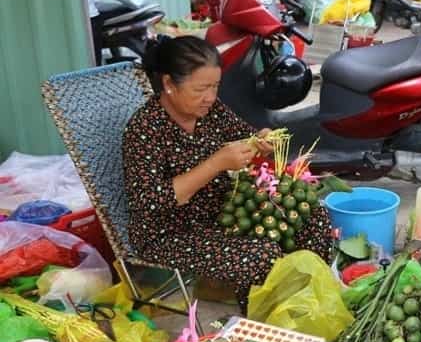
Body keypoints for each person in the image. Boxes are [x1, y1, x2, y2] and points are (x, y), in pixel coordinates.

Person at [122, 36, 333, 310]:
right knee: (260, 255)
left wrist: (261, 142)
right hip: (169, 234)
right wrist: (215, 164)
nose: (210, 97)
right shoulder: (144, 131)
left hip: (225, 214)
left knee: (312, 215)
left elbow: (245, 140)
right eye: (200, 89)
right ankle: (266, 330)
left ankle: (313, 302)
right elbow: (149, 201)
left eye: (215, 86)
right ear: (168, 84)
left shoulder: (211, 111)